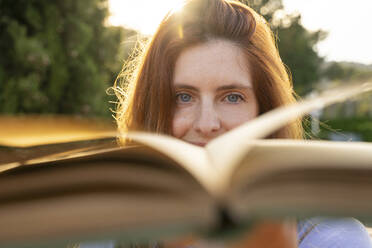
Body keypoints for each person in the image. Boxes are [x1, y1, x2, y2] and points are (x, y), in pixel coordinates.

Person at [114, 0, 372, 247]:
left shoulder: (333, 238)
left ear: (265, 111)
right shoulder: (113, 230)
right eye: (183, 97)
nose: (207, 124)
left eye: (232, 97)